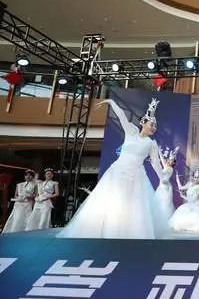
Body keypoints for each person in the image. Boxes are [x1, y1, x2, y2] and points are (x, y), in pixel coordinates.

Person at [58, 98, 165, 239]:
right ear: (143, 123)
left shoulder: (151, 144)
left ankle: (130, 232)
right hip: (117, 171)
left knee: (133, 204)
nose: (154, 128)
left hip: (136, 176)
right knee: (110, 200)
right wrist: (110, 102)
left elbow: (155, 163)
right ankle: (103, 229)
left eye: (155, 126)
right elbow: (121, 116)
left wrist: (163, 179)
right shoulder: (131, 131)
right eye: (152, 124)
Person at [169, 165, 199, 231]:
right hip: (190, 203)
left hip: (196, 203)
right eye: (195, 177)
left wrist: (183, 196)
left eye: (198, 178)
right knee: (181, 211)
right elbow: (181, 188)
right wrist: (177, 178)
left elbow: (193, 199)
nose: (196, 179)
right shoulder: (190, 183)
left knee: (192, 215)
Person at [154, 146, 179, 223]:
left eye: (172, 161)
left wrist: (157, 168)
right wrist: (159, 151)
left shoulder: (170, 169)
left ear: (173, 163)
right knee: (158, 201)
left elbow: (163, 175)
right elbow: (162, 159)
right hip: (161, 186)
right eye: (169, 159)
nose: (169, 161)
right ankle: (158, 216)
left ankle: (164, 218)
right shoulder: (166, 166)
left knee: (164, 203)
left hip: (165, 187)